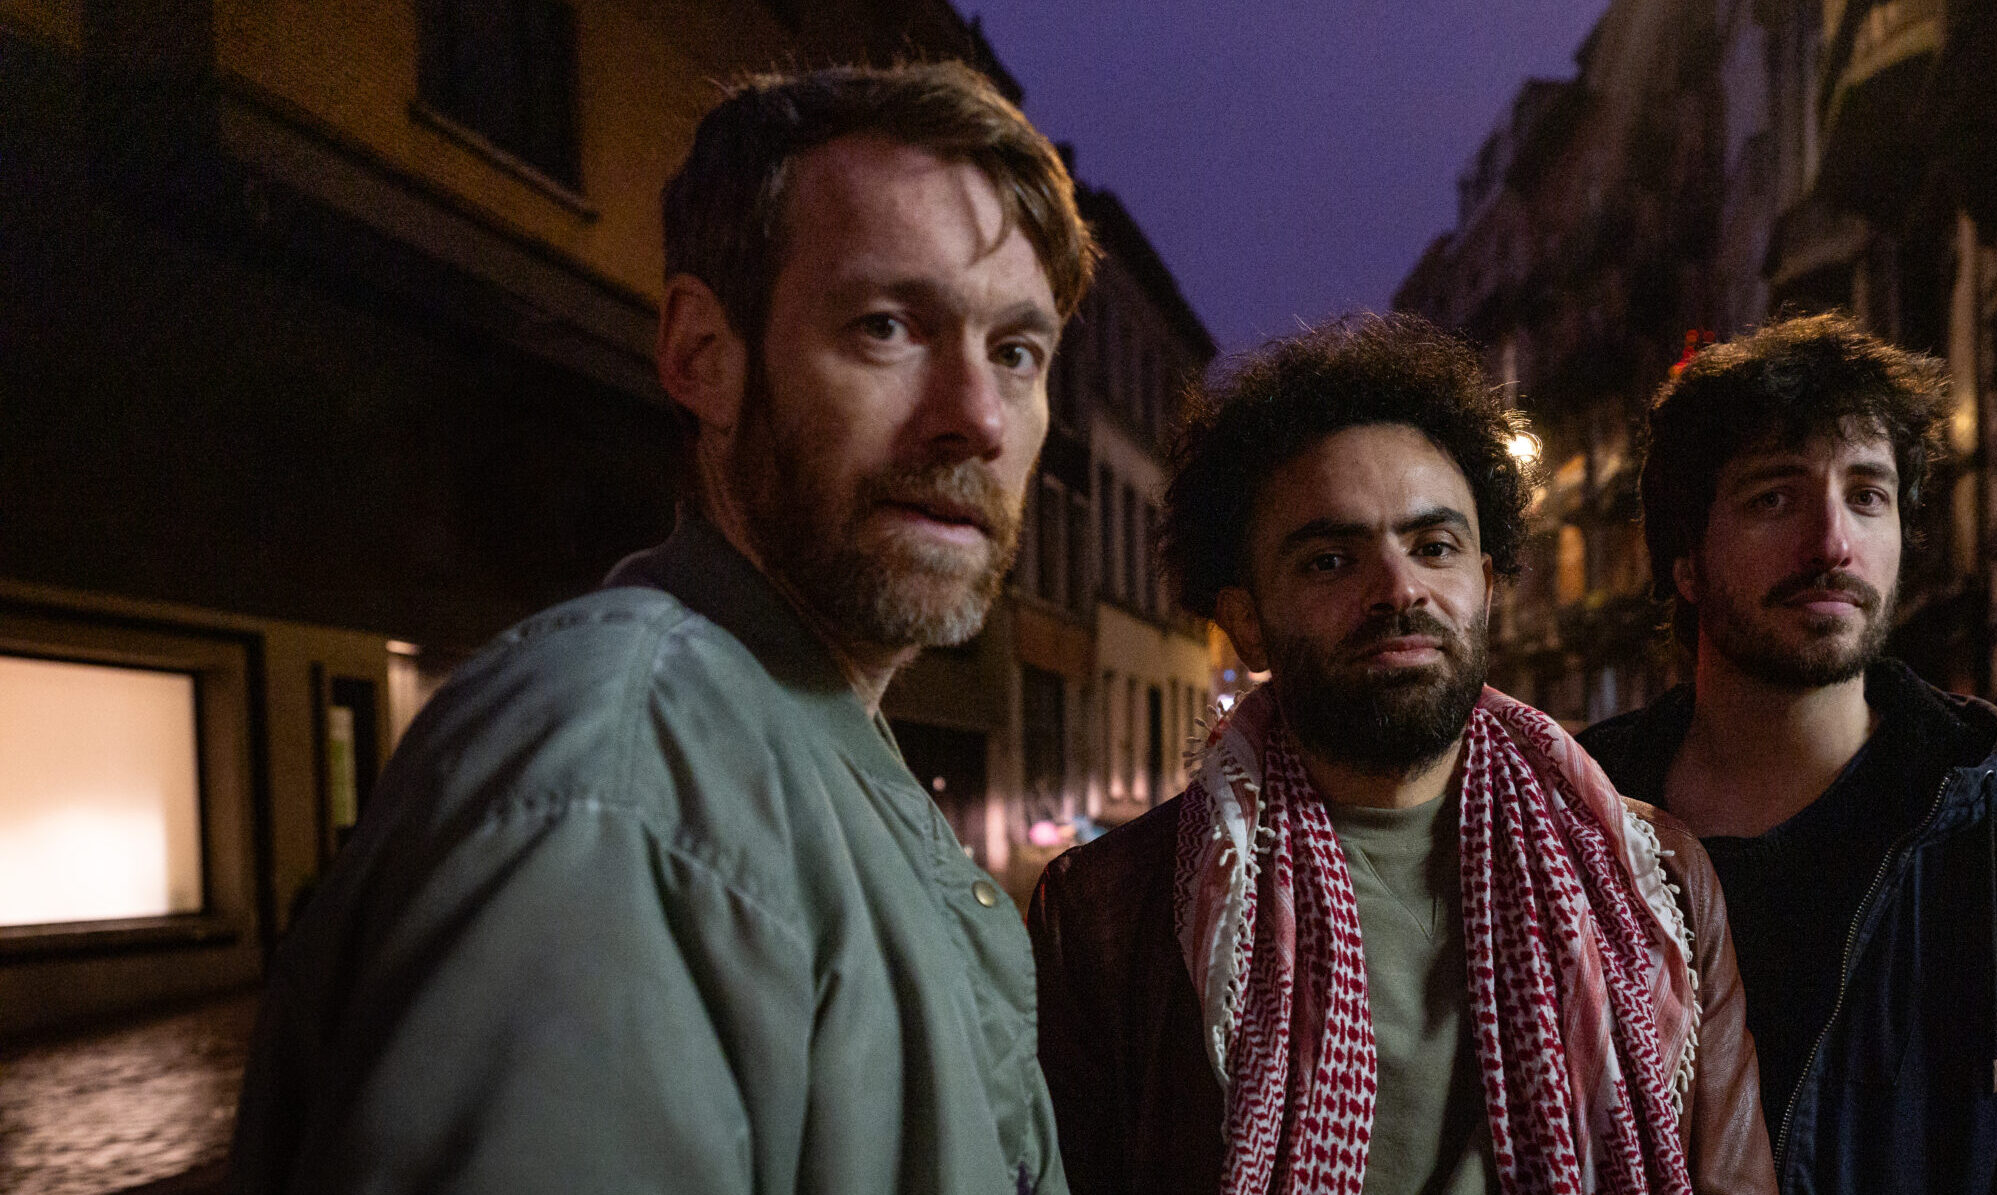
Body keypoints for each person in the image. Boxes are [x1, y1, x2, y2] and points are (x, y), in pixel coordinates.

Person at [231, 62, 1094, 1193]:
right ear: (702, 356)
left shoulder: (793, 752)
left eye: (1017, 353)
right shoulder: (625, 783)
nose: (977, 418)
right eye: (887, 327)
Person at [1028, 315, 1776, 1195]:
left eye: (1434, 547)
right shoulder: (1109, 918)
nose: (1398, 589)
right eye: (1330, 560)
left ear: (1484, 587)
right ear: (1246, 620)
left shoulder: (1655, 881)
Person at [1577, 313, 1997, 1194]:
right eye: (1774, 498)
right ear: (1685, 560)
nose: (1833, 543)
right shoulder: (1570, 830)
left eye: (1867, 495)